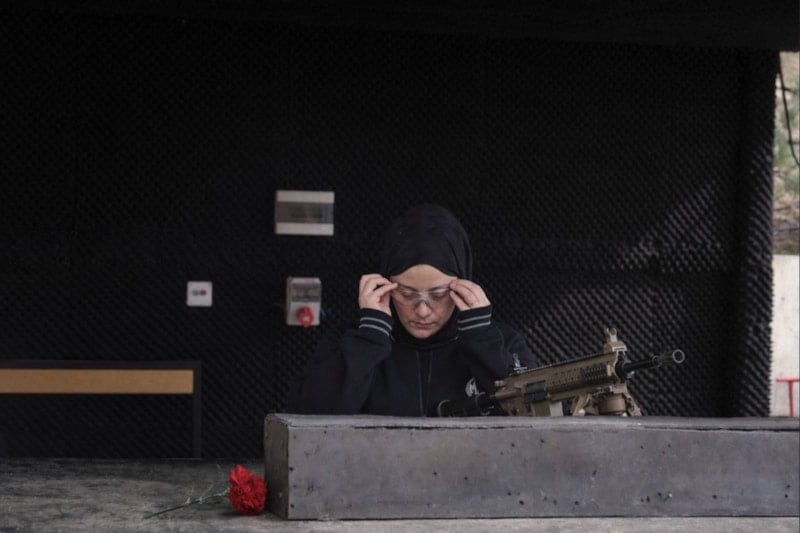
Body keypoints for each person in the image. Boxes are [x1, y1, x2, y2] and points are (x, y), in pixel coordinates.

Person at [287, 204, 535, 416]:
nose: (423, 311)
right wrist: (369, 339)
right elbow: (306, 419)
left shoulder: (505, 342)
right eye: (406, 294)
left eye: (438, 294)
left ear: (463, 285)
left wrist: (482, 342)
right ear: (385, 284)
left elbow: (534, 416)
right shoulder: (349, 341)